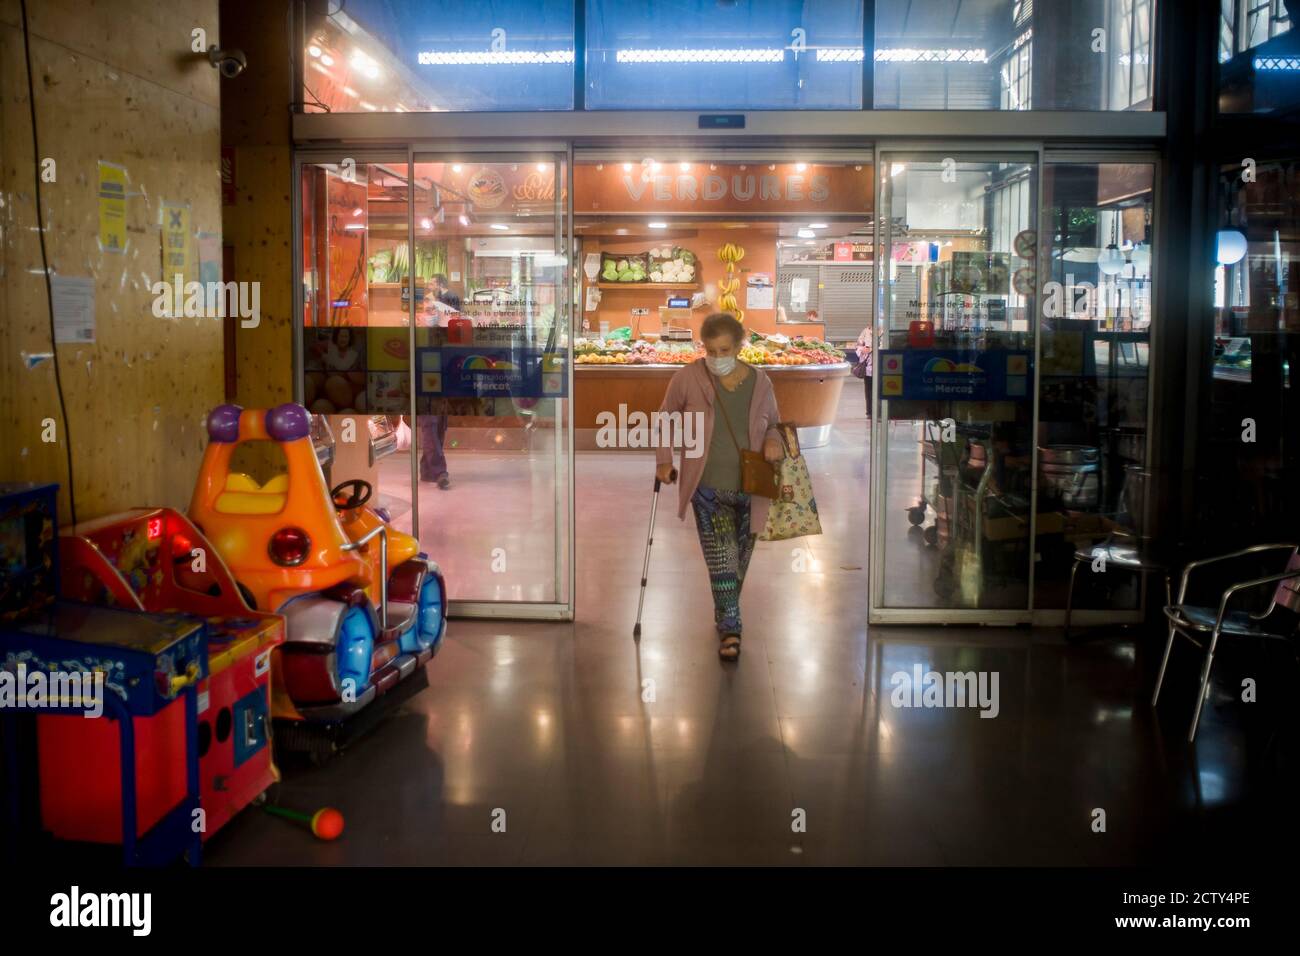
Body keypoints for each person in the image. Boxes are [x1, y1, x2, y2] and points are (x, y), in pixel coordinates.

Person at [655, 312, 783, 662]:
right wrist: (664, 461)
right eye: (710, 351)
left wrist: (773, 442)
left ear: (740, 346)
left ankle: (725, 611)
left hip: (752, 487)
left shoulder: (761, 383)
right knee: (723, 558)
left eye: (724, 350)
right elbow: (665, 416)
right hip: (707, 488)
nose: (716, 359)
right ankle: (731, 630)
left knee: (738, 562)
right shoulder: (689, 378)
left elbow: (774, 424)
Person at [419, 274, 462, 489]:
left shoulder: (445, 323)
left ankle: (428, 469)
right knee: (430, 421)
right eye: (426, 304)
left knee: (440, 421)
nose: (429, 308)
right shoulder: (421, 328)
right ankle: (438, 470)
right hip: (427, 371)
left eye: (432, 304)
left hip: (442, 370)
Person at [854, 326, 873, 418]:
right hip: (868, 367)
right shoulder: (865, 331)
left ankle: (880, 410)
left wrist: (872, 349)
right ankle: (869, 412)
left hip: (881, 366)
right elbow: (858, 345)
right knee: (869, 390)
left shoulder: (884, 331)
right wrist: (862, 349)